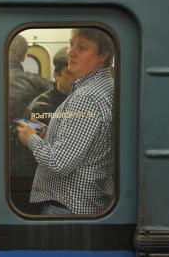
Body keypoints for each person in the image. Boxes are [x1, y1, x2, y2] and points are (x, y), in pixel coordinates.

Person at [17, 28, 115, 215]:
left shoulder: (86, 98)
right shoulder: (107, 87)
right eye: (71, 45)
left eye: (82, 47)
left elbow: (59, 164)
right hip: (88, 200)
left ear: (103, 54)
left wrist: (31, 138)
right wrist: (49, 136)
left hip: (70, 205)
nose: (71, 53)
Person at [11, 47, 75, 213]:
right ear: (56, 74)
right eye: (70, 74)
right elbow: (26, 158)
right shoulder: (39, 108)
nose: (76, 80)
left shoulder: (87, 100)